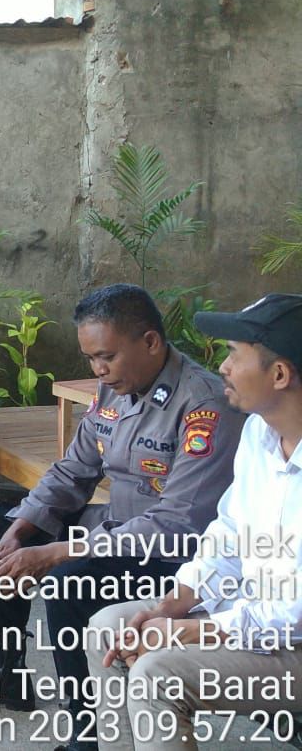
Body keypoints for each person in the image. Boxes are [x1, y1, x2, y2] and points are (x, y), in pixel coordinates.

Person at [0, 284, 245, 740]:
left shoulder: (204, 406)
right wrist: (21, 529)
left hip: (175, 556)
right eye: (91, 358)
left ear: (150, 342)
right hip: (116, 529)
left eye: (107, 357)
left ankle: (86, 732)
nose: (98, 369)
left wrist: (57, 550)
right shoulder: (114, 389)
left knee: (69, 579)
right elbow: (73, 471)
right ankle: (4, 670)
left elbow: (176, 525)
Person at [85, 293, 302, 751]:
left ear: (279, 374)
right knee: (109, 624)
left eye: (233, 353)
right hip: (246, 614)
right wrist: (171, 607)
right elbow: (226, 537)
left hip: (292, 641)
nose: (222, 366)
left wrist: (184, 631)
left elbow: (290, 616)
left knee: (156, 674)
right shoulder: (260, 434)